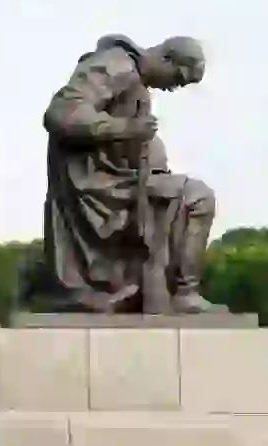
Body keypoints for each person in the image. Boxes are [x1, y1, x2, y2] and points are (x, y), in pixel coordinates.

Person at [42, 34, 228, 314]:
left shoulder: (133, 78)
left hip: (119, 180)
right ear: (165, 58)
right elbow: (61, 113)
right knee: (197, 197)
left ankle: (168, 292)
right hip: (98, 189)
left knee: (183, 196)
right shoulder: (116, 65)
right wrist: (126, 129)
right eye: (176, 79)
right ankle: (184, 293)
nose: (173, 88)